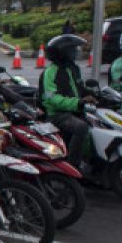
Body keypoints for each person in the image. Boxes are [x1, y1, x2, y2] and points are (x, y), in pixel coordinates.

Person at [39, 34, 96, 169]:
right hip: (57, 114)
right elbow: (52, 99)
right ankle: (72, 165)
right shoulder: (51, 72)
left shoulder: (73, 69)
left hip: (74, 110)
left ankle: (91, 162)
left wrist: (93, 94)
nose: (76, 52)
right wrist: (79, 102)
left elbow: (79, 88)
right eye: (72, 49)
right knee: (81, 127)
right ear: (62, 52)